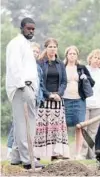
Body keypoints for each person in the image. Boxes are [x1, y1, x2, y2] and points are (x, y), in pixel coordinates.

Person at [5, 17, 44, 169]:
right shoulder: (16, 43)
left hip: (29, 88)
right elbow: (14, 66)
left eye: (33, 29)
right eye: (29, 28)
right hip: (21, 87)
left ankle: (15, 157)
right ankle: (28, 160)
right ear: (22, 28)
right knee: (25, 124)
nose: (31, 31)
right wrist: (22, 86)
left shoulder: (26, 44)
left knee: (21, 124)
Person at [34, 38, 70, 161]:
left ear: (57, 48)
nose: (52, 49)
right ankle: (37, 154)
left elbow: (64, 81)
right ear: (46, 48)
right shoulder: (40, 63)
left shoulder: (60, 64)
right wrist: (48, 94)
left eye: (54, 46)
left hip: (58, 101)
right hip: (44, 100)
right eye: (50, 46)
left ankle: (55, 154)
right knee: (42, 128)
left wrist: (59, 94)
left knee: (56, 129)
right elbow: (39, 82)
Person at [63, 46, 93, 159]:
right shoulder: (62, 67)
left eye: (74, 54)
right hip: (65, 99)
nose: (72, 55)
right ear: (66, 55)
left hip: (79, 100)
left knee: (79, 126)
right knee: (63, 126)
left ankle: (78, 153)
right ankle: (64, 153)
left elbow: (91, 82)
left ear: (77, 56)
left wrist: (85, 78)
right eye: (70, 53)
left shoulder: (81, 68)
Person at [83, 49, 100, 159]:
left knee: (93, 132)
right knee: (84, 131)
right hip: (85, 104)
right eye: (95, 58)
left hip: (97, 106)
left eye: (99, 59)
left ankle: (91, 154)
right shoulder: (84, 70)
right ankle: (83, 154)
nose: (97, 60)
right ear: (90, 58)